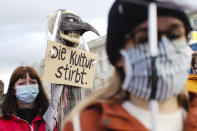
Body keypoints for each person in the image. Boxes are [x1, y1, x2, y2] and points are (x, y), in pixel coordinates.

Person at [63, 0, 197, 131]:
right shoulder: (83, 126)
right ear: (119, 55)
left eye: (174, 35)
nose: (165, 49)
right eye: (145, 38)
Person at [0, 66, 57, 131]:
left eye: (32, 82)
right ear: (13, 91)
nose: (28, 86)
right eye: (21, 83)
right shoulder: (2, 124)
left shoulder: (52, 120)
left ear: (38, 87)